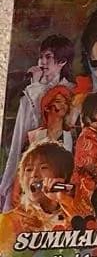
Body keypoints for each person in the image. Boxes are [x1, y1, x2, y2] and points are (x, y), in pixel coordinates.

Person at [0, 34, 74, 209]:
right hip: (28, 164)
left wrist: (36, 86)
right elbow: (19, 138)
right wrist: (7, 183)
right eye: (41, 57)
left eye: (48, 57)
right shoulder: (30, 92)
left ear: (62, 61)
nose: (42, 62)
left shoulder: (70, 91)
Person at [0, 143, 79, 239]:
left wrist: (62, 199)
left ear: (62, 175)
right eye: (28, 169)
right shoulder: (9, 222)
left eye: (43, 167)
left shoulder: (74, 210)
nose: (34, 174)